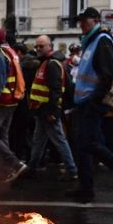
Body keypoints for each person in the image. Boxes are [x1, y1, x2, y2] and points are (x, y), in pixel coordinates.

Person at [63, 8, 113, 203]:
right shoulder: (89, 41)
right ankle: (86, 187)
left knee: (87, 143)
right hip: (85, 101)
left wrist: (95, 100)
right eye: (79, 21)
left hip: (91, 101)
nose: (81, 24)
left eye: (84, 20)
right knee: (83, 145)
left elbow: (107, 74)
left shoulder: (101, 40)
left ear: (95, 20)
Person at [27, 34, 77, 181]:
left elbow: (57, 90)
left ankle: (72, 170)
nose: (38, 49)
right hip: (42, 111)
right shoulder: (46, 63)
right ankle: (32, 167)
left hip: (48, 112)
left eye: (41, 46)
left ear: (50, 46)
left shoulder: (52, 64)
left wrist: (54, 112)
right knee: (38, 140)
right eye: (36, 46)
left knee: (59, 140)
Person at [0, 27, 27, 183]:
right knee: (2, 135)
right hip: (11, 101)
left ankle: (14, 163)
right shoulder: (11, 52)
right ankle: (4, 171)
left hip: (0, 101)